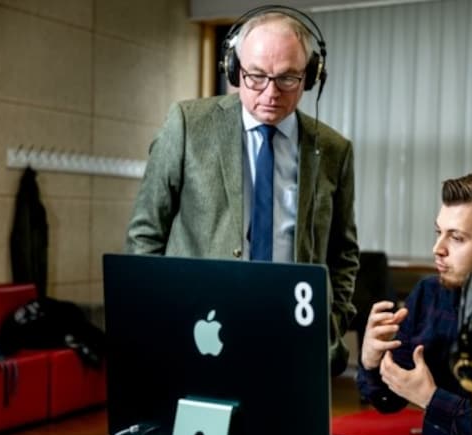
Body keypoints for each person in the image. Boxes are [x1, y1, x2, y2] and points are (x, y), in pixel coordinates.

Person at [125, 8, 359, 375]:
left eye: (287, 79)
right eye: (256, 76)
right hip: (201, 324)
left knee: (282, 431)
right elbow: (146, 232)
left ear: (311, 76)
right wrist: (154, 316)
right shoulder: (187, 124)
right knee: (202, 430)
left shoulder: (333, 149)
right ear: (234, 69)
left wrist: (335, 317)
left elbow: (343, 251)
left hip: (292, 328)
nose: (270, 93)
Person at [357, 174, 472, 435]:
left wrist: (431, 398)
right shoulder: (429, 293)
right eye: (439, 233)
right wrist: (370, 361)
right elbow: (387, 402)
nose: (437, 249)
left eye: (457, 238)